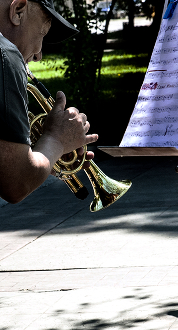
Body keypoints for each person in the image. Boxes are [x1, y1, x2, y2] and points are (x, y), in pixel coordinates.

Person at [0, 0, 98, 204]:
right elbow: (16, 183)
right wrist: (56, 141)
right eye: (42, 34)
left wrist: (44, 154)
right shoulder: (5, 55)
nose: (38, 54)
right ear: (18, 10)